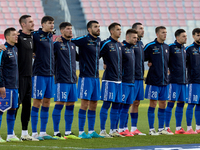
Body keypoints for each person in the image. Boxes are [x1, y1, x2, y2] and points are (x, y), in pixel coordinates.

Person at [0, 15, 38, 141]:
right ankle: (10, 133)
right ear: (23, 24)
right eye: (30, 22)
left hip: (28, 77)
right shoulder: (18, 39)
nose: (33, 23)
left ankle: (23, 133)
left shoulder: (32, 37)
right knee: (10, 107)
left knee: (25, 105)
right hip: (16, 79)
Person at [71, 20, 103, 139]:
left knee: (94, 104)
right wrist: (78, 57)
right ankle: (80, 132)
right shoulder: (84, 39)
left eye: (99, 27)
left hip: (95, 77)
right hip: (85, 77)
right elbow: (70, 42)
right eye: (96, 27)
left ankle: (91, 131)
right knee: (84, 104)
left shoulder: (98, 41)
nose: (98, 29)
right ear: (89, 29)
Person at [52, 22, 80, 140]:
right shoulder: (57, 44)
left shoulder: (73, 45)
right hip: (61, 80)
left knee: (71, 105)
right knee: (59, 105)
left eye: (71, 28)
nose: (70, 31)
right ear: (62, 31)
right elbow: (50, 58)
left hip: (72, 80)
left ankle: (68, 132)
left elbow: (78, 59)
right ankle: (56, 132)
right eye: (68, 29)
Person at [31, 16, 57, 140]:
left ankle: (43, 132)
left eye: (53, 23)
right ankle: (34, 133)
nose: (52, 25)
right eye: (49, 23)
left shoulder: (50, 37)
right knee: (37, 102)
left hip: (50, 75)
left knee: (47, 102)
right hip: (39, 74)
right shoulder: (35, 35)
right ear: (42, 24)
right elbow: (23, 37)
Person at [144, 26, 172, 135]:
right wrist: (148, 63)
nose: (165, 34)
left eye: (166, 32)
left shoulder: (167, 47)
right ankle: (151, 129)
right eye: (162, 32)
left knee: (163, 103)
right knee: (153, 103)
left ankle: (161, 129)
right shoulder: (150, 46)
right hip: (153, 81)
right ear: (157, 34)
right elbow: (141, 58)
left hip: (165, 80)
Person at [99, 22, 124, 138]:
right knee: (106, 104)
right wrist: (104, 63)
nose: (120, 31)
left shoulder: (120, 45)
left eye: (120, 29)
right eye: (118, 29)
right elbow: (95, 56)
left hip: (119, 80)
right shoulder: (106, 43)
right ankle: (102, 131)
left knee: (117, 105)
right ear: (112, 31)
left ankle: (114, 130)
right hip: (109, 79)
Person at [0, 28, 21, 142]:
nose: (16, 36)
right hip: (6, 86)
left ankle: (10, 135)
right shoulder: (3, 50)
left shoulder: (15, 49)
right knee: (1, 110)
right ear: (7, 37)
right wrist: (1, 85)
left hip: (15, 86)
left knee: (13, 109)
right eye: (14, 35)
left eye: (16, 34)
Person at [165, 29, 187, 134]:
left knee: (181, 104)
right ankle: (166, 127)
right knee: (170, 103)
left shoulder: (184, 49)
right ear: (177, 37)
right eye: (183, 36)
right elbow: (164, 60)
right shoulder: (171, 47)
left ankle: (178, 128)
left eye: (186, 36)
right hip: (173, 81)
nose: (185, 38)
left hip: (183, 81)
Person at [117, 29, 138, 137]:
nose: (136, 39)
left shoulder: (132, 49)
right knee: (121, 105)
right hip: (124, 82)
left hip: (131, 82)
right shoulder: (121, 47)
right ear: (128, 37)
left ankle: (124, 128)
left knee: (127, 106)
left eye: (136, 37)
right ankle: (119, 129)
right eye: (134, 37)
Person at [129, 22, 146, 135]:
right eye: (140, 29)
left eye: (143, 28)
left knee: (136, 103)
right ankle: (123, 128)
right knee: (128, 102)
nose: (143, 30)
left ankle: (134, 128)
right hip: (131, 78)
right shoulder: (129, 44)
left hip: (140, 77)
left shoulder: (141, 44)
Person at [185, 28, 200, 134]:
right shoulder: (189, 49)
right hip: (193, 81)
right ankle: (189, 128)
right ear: (193, 36)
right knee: (191, 104)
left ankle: (198, 128)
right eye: (198, 35)